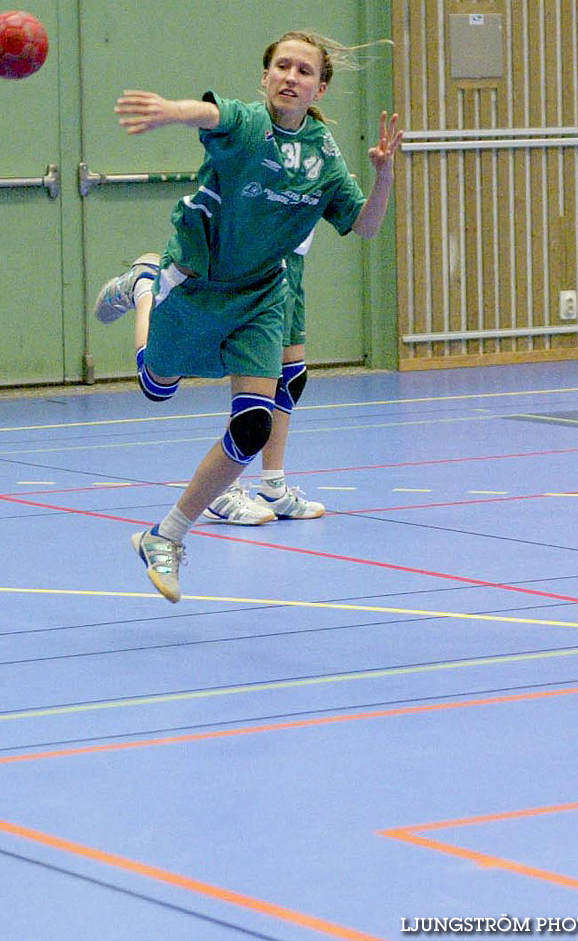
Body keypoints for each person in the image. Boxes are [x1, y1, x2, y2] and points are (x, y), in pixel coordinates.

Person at [94, 30, 403, 602]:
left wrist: (384, 176)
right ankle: (142, 285)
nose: (291, 76)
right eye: (281, 67)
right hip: (197, 283)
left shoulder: (324, 157)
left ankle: (167, 535)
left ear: (320, 87)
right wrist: (169, 113)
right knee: (156, 387)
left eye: (304, 71)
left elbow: (364, 225)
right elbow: (209, 114)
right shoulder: (247, 124)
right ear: (266, 79)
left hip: (263, 295)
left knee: (253, 422)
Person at [101, 233, 324, 527]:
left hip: (288, 252)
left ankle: (273, 487)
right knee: (162, 386)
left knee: (290, 376)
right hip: (246, 258)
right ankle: (144, 286)